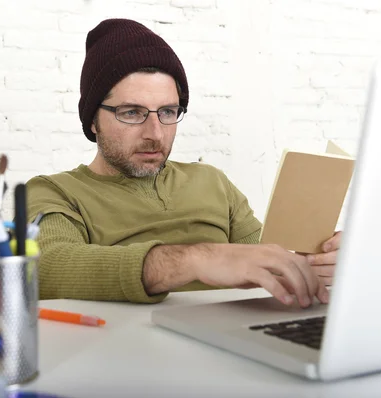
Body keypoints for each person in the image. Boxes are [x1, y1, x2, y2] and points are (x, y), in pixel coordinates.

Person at [26, 18, 341, 307]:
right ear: (93, 119)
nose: (155, 133)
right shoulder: (54, 192)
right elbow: (46, 268)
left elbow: (267, 263)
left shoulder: (212, 182)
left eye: (167, 112)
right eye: (132, 112)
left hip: (235, 344)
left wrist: (312, 265)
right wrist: (194, 259)